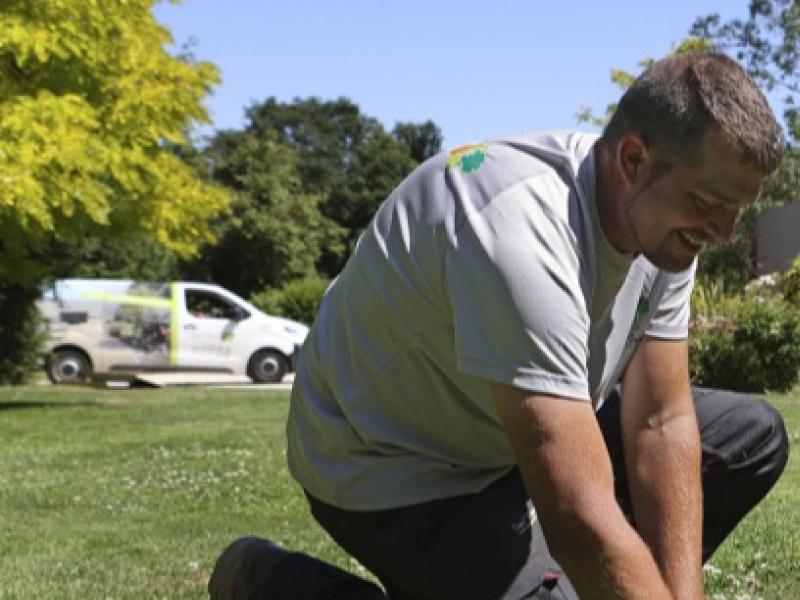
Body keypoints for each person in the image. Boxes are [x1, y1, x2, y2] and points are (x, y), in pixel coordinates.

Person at [209, 51, 790, 599]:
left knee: (747, 436)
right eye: (711, 203)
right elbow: (577, 512)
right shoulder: (518, 227)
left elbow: (662, 422)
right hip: (391, 464)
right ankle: (270, 581)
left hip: (503, 435)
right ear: (633, 160)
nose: (722, 232)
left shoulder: (664, 229)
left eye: (737, 210)